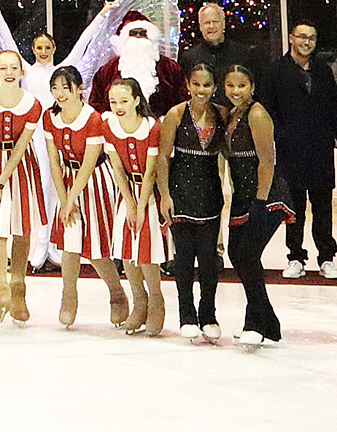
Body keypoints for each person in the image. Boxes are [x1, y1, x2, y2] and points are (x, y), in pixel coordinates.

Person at [257, 22, 337, 280]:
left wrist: (336, 131)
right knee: (294, 209)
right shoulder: (276, 71)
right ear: (292, 38)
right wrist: (280, 135)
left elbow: (334, 103)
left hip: (320, 150)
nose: (307, 42)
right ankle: (295, 257)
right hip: (290, 150)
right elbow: (267, 107)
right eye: (302, 37)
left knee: (323, 207)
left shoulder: (323, 71)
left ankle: (327, 257)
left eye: (312, 38)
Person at [0, 51, 49, 326]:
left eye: (14, 67)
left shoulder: (32, 105)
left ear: (21, 72)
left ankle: (18, 285)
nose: (9, 72)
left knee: (21, 226)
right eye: (3, 67)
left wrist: (2, 181)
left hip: (20, 166)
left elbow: (20, 147)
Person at [48, 65, 128, 329]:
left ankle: (116, 293)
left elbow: (88, 163)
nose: (60, 93)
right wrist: (63, 197)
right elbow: (54, 161)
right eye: (55, 87)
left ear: (79, 88)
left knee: (94, 246)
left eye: (65, 87)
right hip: (68, 181)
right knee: (70, 243)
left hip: (95, 181)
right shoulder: (50, 118)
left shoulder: (94, 119)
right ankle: (68, 296)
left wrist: (71, 200)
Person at [219, 65, 289, 347]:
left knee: (246, 255)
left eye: (242, 86)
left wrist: (260, 201)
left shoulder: (257, 113)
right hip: (243, 196)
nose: (236, 91)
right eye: (231, 86)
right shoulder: (232, 114)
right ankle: (266, 321)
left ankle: (258, 322)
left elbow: (266, 160)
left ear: (252, 87)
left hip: (265, 195)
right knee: (239, 254)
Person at [159, 66, 224, 342]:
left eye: (206, 85)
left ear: (214, 87)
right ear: (188, 85)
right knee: (184, 257)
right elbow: (162, 157)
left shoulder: (221, 114)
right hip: (180, 190)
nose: (201, 90)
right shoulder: (176, 114)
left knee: (209, 259)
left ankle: (208, 314)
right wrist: (164, 194)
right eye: (196, 84)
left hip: (210, 192)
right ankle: (186, 314)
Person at [100, 79, 166, 335]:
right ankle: (140, 302)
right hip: (126, 192)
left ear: (137, 100)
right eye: (114, 101)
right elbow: (117, 167)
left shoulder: (151, 126)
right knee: (128, 251)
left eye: (124, 101)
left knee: (147, 250)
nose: (118, 106)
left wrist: (141, 206)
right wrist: (128, 202)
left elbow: (150, 172)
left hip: (149, 194)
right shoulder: (109, 126)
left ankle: (157, 300)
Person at [91, 11, 185, 115]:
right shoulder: (107, 70)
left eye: (142, 33)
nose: (138, 37)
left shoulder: (170, 69)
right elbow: (96, 106)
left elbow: (182, 103)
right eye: (133, 33)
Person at [178, 3, 263, 105]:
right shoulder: (189, 58)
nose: (211, 26)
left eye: (215, 22)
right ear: (200, 26)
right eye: (207, 23)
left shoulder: (244, 54)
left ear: (223, 23)